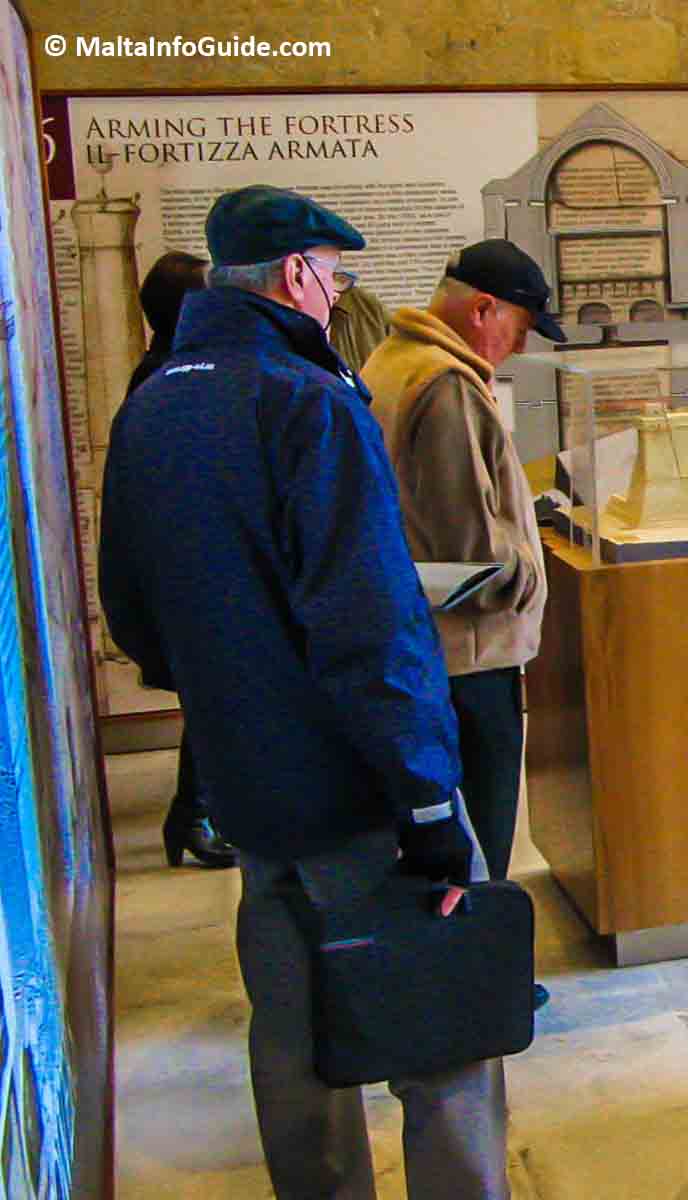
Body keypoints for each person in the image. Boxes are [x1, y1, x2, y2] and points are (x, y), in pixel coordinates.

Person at [97, 184, 508, 1199]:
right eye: (338, 275)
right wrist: (427, 801)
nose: (337, 295)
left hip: (246, 776)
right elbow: (370, 627)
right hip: (353, 783)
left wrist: (227, 684)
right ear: (298, 276)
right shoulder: (308, 401)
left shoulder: (155, 398)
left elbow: (131, 608)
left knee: (291, 1029)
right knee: (443, 1037)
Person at [361, 239, 557, 893]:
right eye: (521, 328)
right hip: (470, 656)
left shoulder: (393, 360)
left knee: (446, 839)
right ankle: (484, 977)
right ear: (483, 309)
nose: (521, 348)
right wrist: (529, 571)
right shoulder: (447, 389)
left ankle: (461, 971)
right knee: (479, 837)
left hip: (429, 645)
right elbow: (476, 553)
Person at [126, 250, 234, 869]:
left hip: (191, 566)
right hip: (194, 569)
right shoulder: (169, 376)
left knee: (212, 696)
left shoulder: (166, 369)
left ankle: (193, 814)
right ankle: (194, 815)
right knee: (212, 696)